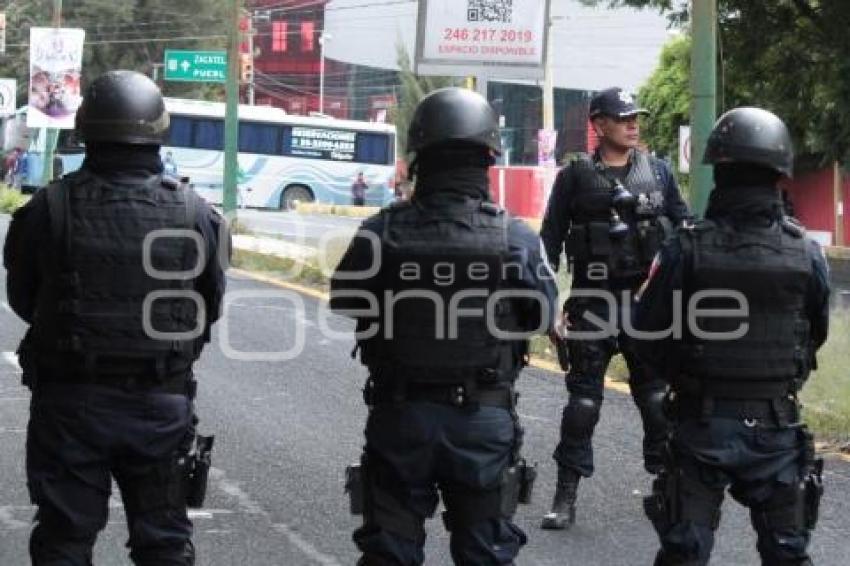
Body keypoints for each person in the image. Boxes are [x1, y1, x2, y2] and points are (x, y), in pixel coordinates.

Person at [3, 70, 230, 566]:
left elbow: (24, 300)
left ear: (86, 128)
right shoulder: (197, 213)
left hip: (69, 403)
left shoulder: (49, 206)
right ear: (159, 128)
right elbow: (207, 307)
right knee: (164, 542)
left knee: (64, 540)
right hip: (160, 405)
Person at [330, 87, 558, 565]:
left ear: (420, 156)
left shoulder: (381, 230)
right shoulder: (513, 235)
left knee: (389, 553)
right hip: (481, 417)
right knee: (484, 552)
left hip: (400, 415)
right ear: (488, 157)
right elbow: (541, 315)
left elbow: (347, 299)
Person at [634, 107, 830, 565]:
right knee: (788, 554)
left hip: (701, 422)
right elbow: (814, 332)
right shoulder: (807, 252)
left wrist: (686, 373)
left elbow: (646, 334)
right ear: (780, 173)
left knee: (685, 552)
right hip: (778, 424)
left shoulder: (684, 247)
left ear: (719, 169)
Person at [539, 86, 691, 530]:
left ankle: (670, 491)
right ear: (598, 124)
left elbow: (684, 236)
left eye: (635, 117)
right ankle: (564, 496)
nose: (633, 124)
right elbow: (547, 242)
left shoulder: (659, 172)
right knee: (582, 405)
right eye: (623, 118)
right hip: (593, 303)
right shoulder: (575, 176)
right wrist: (550, 306)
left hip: (648, 307)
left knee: (657, 402)